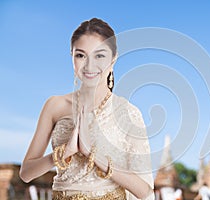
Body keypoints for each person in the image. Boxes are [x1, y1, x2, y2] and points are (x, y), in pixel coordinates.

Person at [19, 18, 154, 200]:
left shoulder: (128, 112)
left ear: (113, 59)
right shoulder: (55, 105)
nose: (89, 66)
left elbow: (144, 190)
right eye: (81, 55)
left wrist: (93, 155)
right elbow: (26, 173)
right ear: (72, 56)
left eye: (99, 56)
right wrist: (64, 153)